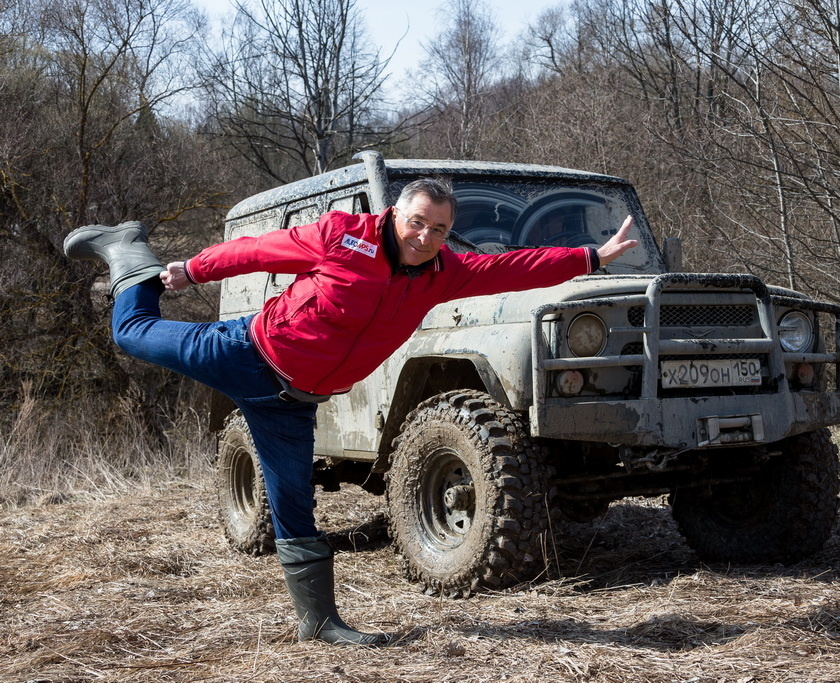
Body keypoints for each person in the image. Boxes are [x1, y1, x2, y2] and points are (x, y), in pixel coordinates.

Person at [63, 177, 636, 646]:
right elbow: (260, 249)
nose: (426, 236)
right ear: (395, 214)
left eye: (439, 229)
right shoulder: (343, 237)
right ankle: (127, 249)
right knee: (132, 332)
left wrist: (590, 255)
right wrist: (195, 269)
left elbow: (514, 266)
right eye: (418, 222)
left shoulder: (443, 274)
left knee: (292, 505)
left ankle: (319, 622)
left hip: (294, 403)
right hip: (246, 355)